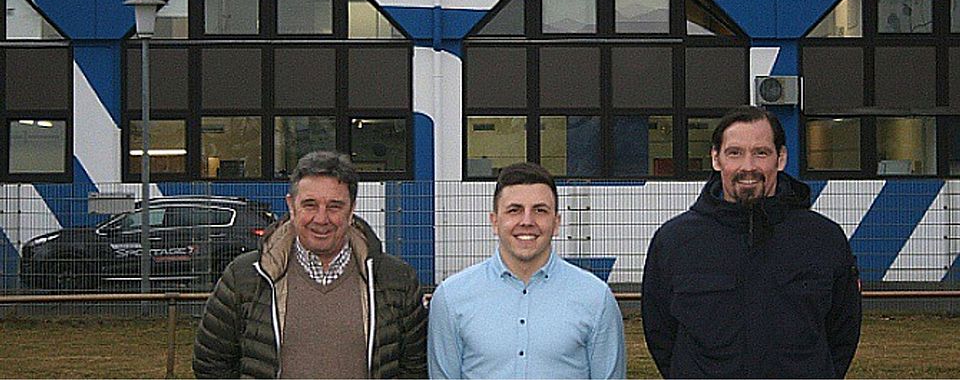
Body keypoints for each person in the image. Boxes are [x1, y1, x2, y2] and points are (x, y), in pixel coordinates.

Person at [642, 106, 861, 378]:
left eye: (761, 153)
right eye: (734, 153)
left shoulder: (823, 239)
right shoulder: (674, 242)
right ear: (716, 158)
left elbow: (843, 332)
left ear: (781, 158)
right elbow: (661, 334)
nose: (748, 167)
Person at [193, 150, 428, 378]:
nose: (321, 219)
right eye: (310, 205)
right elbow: (211, 363)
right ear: (291, 206)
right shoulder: (245, 277)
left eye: (334, 206)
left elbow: (415, 368)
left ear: (352, 209)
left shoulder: (396, 280)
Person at [428, 162, 626, 379]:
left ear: (556, 222)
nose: (527, 221)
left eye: (540, 210)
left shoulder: (596, 298)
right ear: (494, 221)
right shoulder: (451, 298)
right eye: (514, 210)